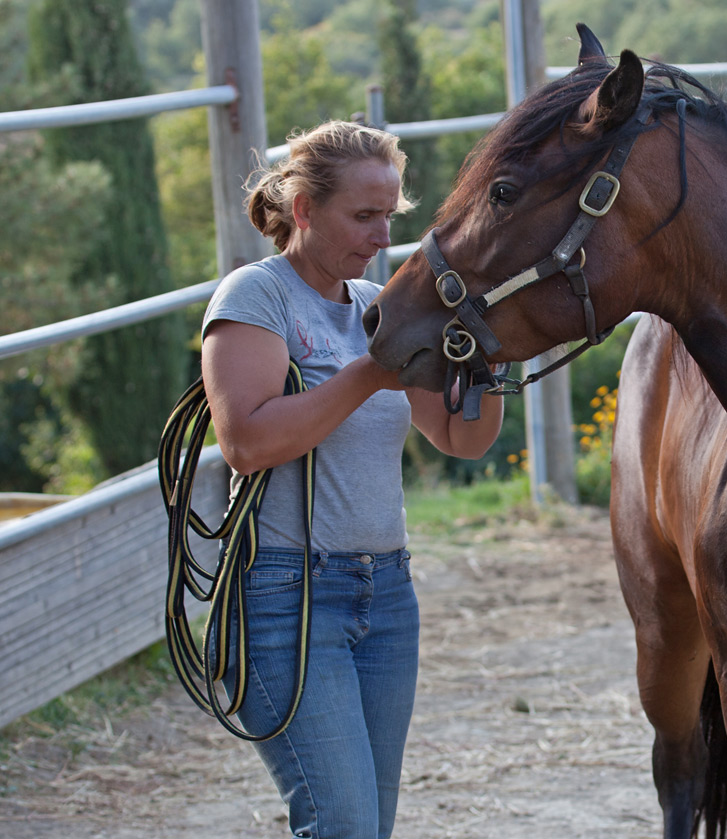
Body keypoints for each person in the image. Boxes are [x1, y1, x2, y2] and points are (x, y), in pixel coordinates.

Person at [200, 120, 503, 839]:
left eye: (389, 216)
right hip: (287, 595)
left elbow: (460, 437)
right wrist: (370, 372)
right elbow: (246, 442)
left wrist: (495, 356)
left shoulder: (380, 306)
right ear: (305, 209)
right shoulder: (256, 295)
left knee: (369, 824)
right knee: (343, 824)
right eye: (364, 215)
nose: (381, 236)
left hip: (387, 592)